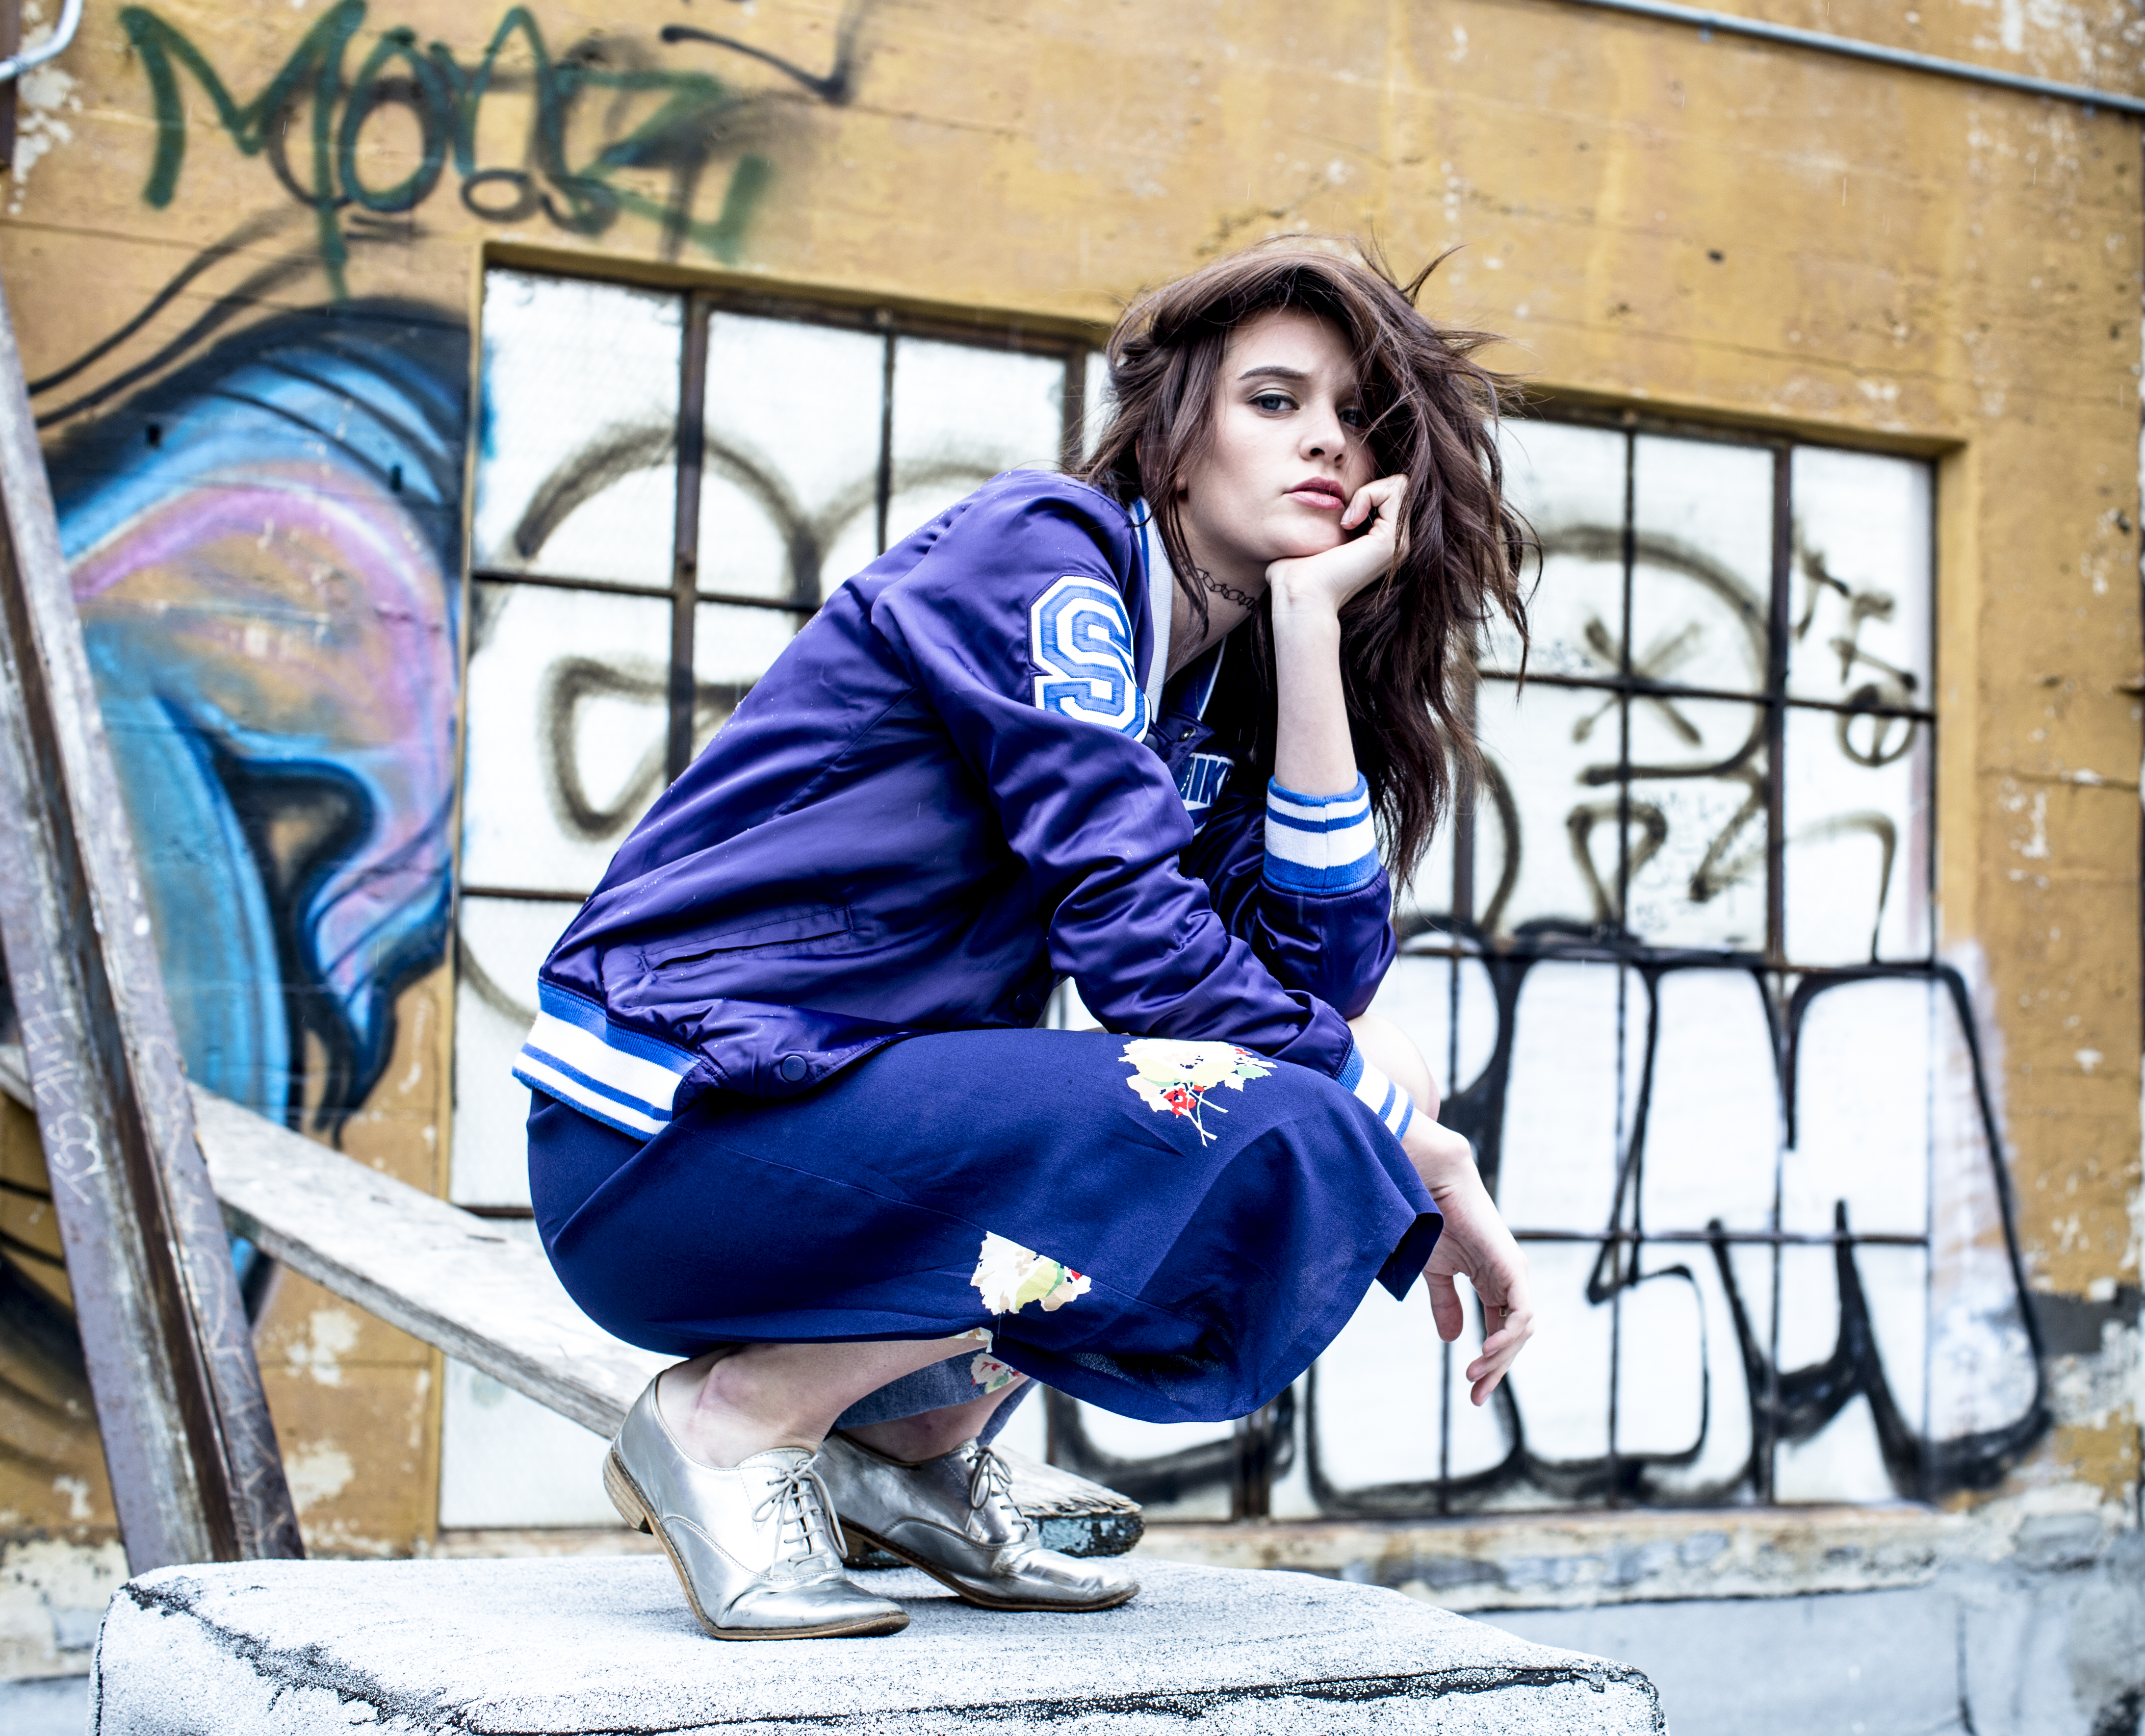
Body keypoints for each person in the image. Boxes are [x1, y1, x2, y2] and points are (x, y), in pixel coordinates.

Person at [517, 239, 1540, 1640]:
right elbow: (1142, 949)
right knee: (1294, 1111)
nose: (1326, 439)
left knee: (1365, 1066)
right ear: (1174, 441)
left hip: (825, 1136)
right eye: (1274, 401)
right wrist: (1407, 1149)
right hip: (670, 1127)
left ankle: (911, 1452)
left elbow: (1316, 984)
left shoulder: (1214, 686)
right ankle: (728, 1422)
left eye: (1359, 417)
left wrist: (1309, 635)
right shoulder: (1047, 561)